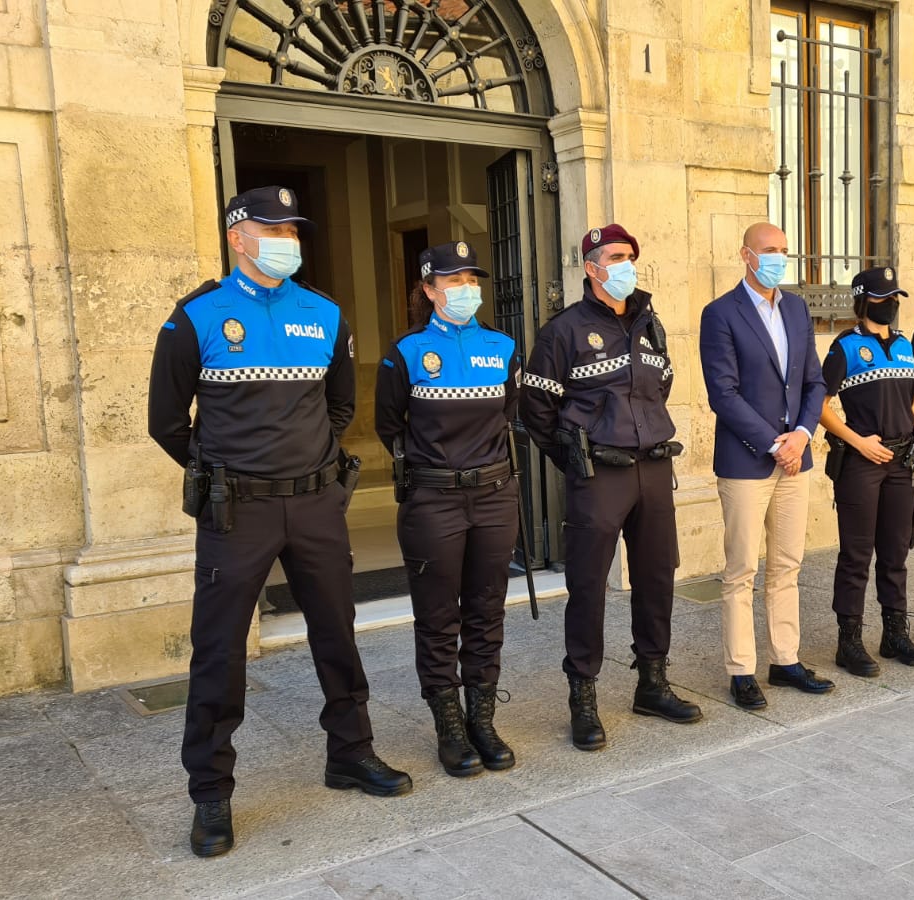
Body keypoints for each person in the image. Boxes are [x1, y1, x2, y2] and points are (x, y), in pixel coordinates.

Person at [148, 185, 410, 860]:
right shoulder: (196, 317)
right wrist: (225, 469)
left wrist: (304, 467)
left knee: (337, 634)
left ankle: (351, 752)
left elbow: (339, 407)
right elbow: (167, 422)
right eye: (274, 228)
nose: (288, 239)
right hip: (237, 509)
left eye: (293, 229)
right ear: (239, 236)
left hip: (316, 503)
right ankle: (211, 792)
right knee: (219, 651)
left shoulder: (324, 314)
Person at [520, 224, 701, 751]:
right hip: (598, 475)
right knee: (588, 588)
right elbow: (537, 409)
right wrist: (575, 459)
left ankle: (653, 682)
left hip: (652, 469)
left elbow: (659, 387)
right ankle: (584, 697)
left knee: (656, 579)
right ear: (591, 267)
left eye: (630, 256)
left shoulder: (650, 322)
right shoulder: (563, 332)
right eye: (614, 257)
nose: (625, 264)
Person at [375, 240, 521, 778]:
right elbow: (388, 424)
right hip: (433, 498)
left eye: (471, 281)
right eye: (454, 282)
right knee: (438, 618)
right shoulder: (406, 352)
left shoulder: (502, 346)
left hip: (494, 495)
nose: (466, 290)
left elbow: (508, 413)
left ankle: (481, 719)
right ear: (430, 290)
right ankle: (450, 727)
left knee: (486, 611)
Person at [699, 222, 832, 711]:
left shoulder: (795, 308)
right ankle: (741, 670)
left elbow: (814, 383)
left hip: (797, 458)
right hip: (746, 462)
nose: (777, 258)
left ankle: (786, 659)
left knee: (787, 564)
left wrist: (800, 435)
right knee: (741, 570)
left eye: (783, 250)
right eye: (768, 251)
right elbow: (723, 393)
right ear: (745, 255)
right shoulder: (720, 314)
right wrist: (772, 444)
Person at [820, 266, 914, 675]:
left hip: (902, 460)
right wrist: (857, 441)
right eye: (881, 298)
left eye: (894, 298)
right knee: (857, 555)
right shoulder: (845, 347)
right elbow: (818, 406)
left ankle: (894, 634)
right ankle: (849, 641)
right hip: (862, 462)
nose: (889, 304)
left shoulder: (904, 345)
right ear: (861, 301)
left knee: (896, 553)